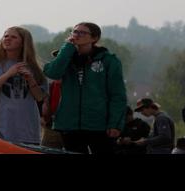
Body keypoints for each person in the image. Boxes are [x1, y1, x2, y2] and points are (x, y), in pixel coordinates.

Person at [42, 22, 127, 154]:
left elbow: (117, 95)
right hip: (69, 124)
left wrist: (115, 123)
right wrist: (67, 48)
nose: (77, 35)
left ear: (94, 38)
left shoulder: (108, 61)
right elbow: (53, 73)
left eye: (82, 32)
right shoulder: (65, 56)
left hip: (99, 124)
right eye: (74, 32)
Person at [0, 26, 47, 144]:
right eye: (6, 36)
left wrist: (30, 80)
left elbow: (39, 97)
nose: (7, 39)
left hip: (27, 130)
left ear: (23, 43)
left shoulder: (33, 67)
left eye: (13, 37)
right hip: (0, 128)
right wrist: (8, 74)